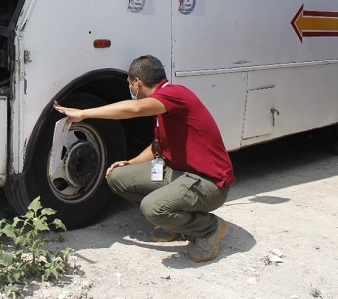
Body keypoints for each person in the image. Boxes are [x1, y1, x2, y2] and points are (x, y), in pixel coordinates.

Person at [53, 55, 235, 263]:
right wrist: (130, 163)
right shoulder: (162, 107)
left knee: (152, 208)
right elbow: (157, 147)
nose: (130, 91)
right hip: (177, 173)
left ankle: (209, 228)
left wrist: (84, 113)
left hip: (208, 183)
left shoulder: (175, 94)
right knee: (117, 177)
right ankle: (174, 223)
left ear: (137, 82)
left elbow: (135, 109)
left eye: (129, 85)